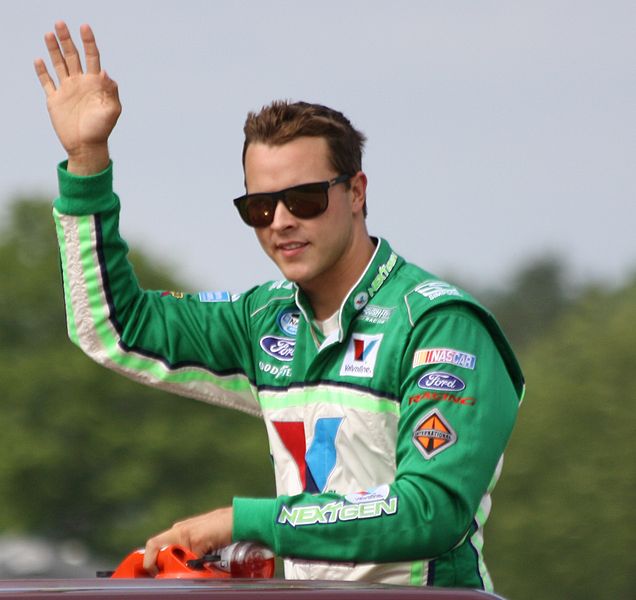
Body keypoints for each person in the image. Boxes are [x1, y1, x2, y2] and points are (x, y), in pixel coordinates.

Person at [35, 21, 524, 590]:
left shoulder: (441, 326)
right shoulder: (262, 320)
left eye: (305, 198)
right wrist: (88, 158)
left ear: (357, 192)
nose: (283, 221)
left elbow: (429, 512)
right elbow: (114, 325)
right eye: (260, 207)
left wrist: (245, 522)